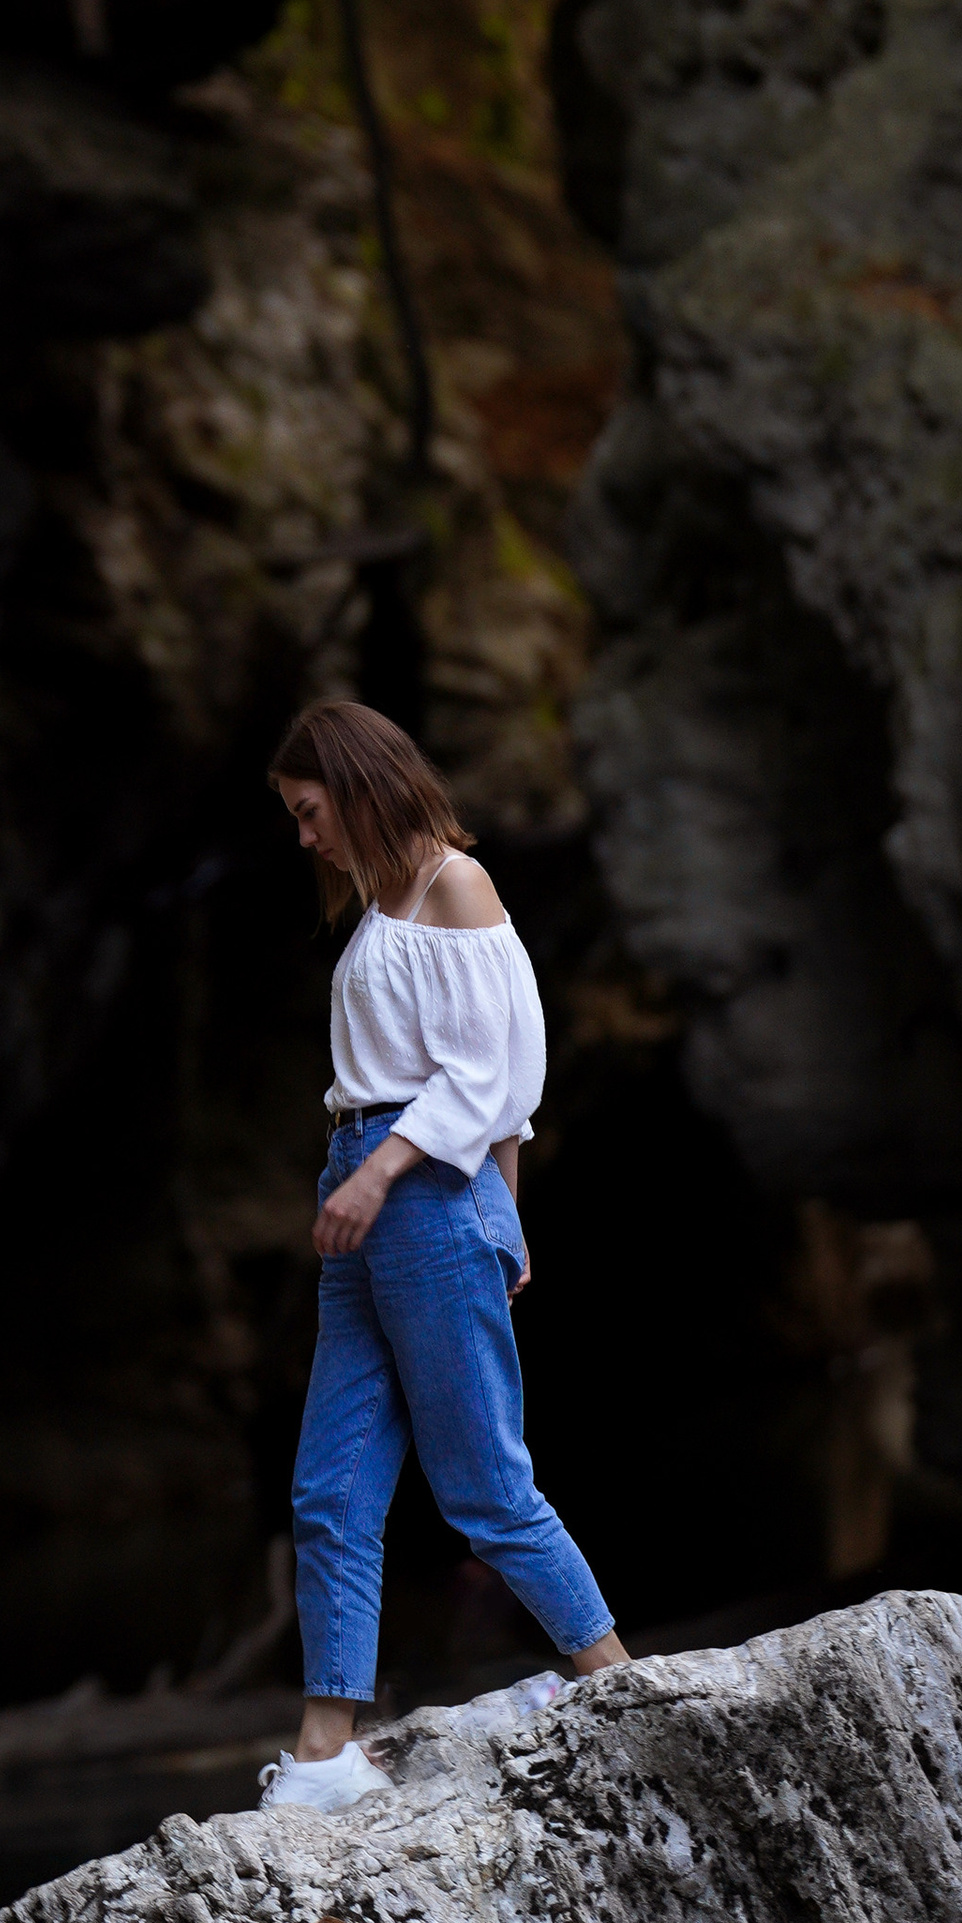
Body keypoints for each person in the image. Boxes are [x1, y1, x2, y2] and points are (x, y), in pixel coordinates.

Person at [257, 698, 627, 1815]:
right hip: (371, 1181)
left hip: (413, 1193)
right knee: (329, 1486)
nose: (305, 836)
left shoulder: (454, 885)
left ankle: (620, 1689)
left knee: (483, 1488)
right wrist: (384, 1181)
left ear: (359, 784)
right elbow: (496, 1074)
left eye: (310, 810)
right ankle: (326, 1753)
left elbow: (490, 1077)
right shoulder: (383, 906)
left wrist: (436, 1195)